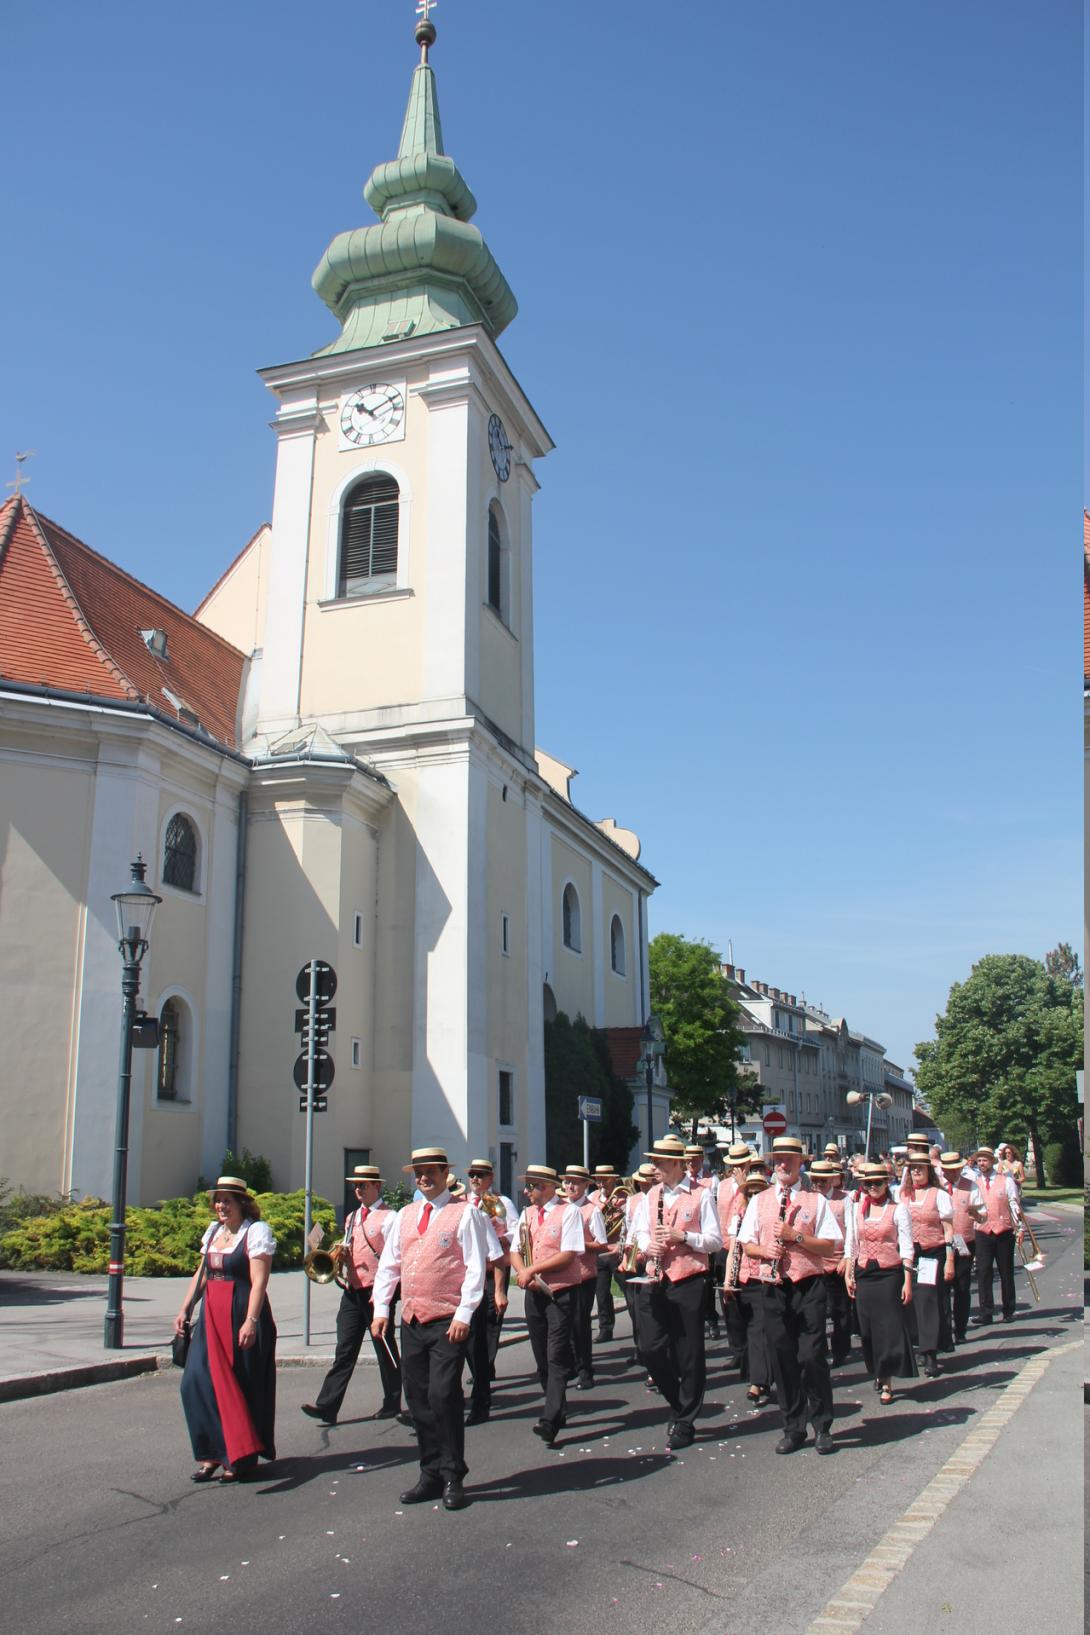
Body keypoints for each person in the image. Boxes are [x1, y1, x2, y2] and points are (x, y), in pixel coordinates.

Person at [371, 1146, 489, 1511]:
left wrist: (464, 1314)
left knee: (443, 1395)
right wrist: (381, 1309)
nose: (423, 1178)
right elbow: (390, 1266)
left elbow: (475, 1267)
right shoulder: (404, 1216)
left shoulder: (464, 1213)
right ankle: (431, 1472)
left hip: (446, 1320)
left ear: (443, 1174)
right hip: (412, 1319)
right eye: (418, 1172)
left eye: (430, 1172)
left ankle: (454, 1474)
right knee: (418, 1398)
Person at [737, 1136, 842, 1455]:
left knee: (811, 1356)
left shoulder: (816, 1199)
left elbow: (830, 1245)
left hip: (808, 1284)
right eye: (778, 1159)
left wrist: (795, 1237)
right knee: (782, 1358)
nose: (782, 1164)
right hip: (772, 1284)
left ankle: (822, 1424)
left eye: (789, 1159)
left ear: (801, 1163)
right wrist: (764, 1250)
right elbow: (746, 1244)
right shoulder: (760, 1200)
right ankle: (793, 1426)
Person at [176, 1176, 277, 1483]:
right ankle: (210, 1453)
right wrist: (186, 1307)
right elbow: (203, 1272)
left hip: (241, 1312)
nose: (221, 1206)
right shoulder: (214, 1232)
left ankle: (240, 1457)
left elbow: (259, 1280)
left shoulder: (256, 1233)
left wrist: (251, 1320)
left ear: (242, 1204)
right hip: (212, 1315)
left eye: (227, 1201)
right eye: (218, 1200)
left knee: (240, 1386)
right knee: (195, 1382)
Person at [630, 1136, 723, 1451]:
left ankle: (685, 1420)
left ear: (675, 1164)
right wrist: (647, 1245)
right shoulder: (651, 1196)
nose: (654, 1167)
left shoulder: (700, 1195)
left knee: (689, 1353)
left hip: (689, 1279)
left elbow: (714, 1241)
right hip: (656, 1278)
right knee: (650, 1347)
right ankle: (678, 1403)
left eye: (658, 1162)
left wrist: (682, 1236)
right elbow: (640, 1231)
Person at [299, 1165, 401, 1427]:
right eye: (355, 1185)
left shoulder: (390, 1218)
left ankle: (393, 1401)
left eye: (363, 1185)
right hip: (353, 1290)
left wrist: (387, 1296)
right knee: (344, 1349)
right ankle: (327, 1406)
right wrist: (341, 1257)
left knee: (384, 1347)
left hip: (377, 1291)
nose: (357, 1189)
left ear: (377, 1186)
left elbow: (394, 1257)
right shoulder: (353, 1217)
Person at [510, 1163, 586, 1446]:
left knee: (555, 1354)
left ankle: (550, 1418)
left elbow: (568, 1255)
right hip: (534, 1292)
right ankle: (558, 1406)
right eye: (528, 1186)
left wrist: (533, 1269)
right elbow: (515, 1249)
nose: (527, 1192)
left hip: (561, 1292)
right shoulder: (527, 1214)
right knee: (541, 1355)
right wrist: (522, 1271)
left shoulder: (570, 1212)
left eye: (532, 1186)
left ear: (548, 1187)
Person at [844, 1162, 916, 1405]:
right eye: (868, 1184)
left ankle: (886, 1380)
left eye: (877, 1183)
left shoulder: (898, 1210)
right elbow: (852, 1242)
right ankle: (876, 1368)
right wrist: (849, 1273)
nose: (872, 1188)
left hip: (889, 1274)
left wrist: (907, 1280)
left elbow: (906, 1246)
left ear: (887, 1184)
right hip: (865, 1273)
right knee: (867, 1329)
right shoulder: (857, 1209)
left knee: (887, 1327)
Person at [463, 1159, 515, 1425]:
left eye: (479, 1175)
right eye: (472, 1174)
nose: (474, 1178)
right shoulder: (461, 1203)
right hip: (467, 1274)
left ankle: (485, 1371)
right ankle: (483, 1369)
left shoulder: (503, 1203)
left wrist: (497, 1235)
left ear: (490, 1178)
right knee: (472, 1334)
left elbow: (515, 1231)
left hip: (493, 1268)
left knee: (490, 1323)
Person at [900, 1154, 954, 1375]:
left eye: (920, 1169)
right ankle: (918, 1346)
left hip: (932, 1252)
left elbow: (949, 1229)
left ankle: (929, 1352)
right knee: (909, 1302)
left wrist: (949, 1259)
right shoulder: (902, 1195)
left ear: (928, 1171)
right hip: (909, 1254)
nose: (916, 1173)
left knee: (927, 1299)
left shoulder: (938, 1195)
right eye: (912, 1169)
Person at [561, 1165, 608, 1390]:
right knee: (564, 1323)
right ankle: (570, 1365)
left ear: (586, 1185)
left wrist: (577, 1244)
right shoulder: (560, 1208)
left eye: (576, 1182)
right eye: (567, 1182)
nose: (570, 1186)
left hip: (583, 1276)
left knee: (580, 1324)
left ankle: (585, 1370)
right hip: (562, 1275)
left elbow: (601, 1244)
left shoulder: (593, 1210)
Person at [971, 1146, 1024, 1325]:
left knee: (1006, 1272)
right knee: (983, 1272)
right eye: (979, 1160)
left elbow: (1014, 1204)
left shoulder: (1005, 1181)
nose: (981, 1163)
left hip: (1003, 1231)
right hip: (982, 1232)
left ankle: (1008, 1310)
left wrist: (1020, 1227)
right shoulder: (974, 1182)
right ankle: (986, 1311)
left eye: (984, 1160)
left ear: (992, 1162)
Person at [936, 1152, 985, 1343]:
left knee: (962, 1286)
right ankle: (946, 1328)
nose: (950, 1173)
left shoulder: (971, 1185)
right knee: (942, 1287)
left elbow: (983, 1214)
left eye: (954, 1169)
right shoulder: (937, 1187)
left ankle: (961, 1330)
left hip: (963, 1240)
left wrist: (976, 1213)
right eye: (947, 1169)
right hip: (940, 1241)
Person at [809, 1159, 852, 1366]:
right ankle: (820, 1349)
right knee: (816, 1311)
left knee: (840, 1311)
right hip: (815, 1263)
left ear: (832, 1180)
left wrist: (847, 1258)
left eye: (823, 1180)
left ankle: (840, 1350)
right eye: (815, 1180)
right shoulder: (808, 1199)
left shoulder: (844, 1200)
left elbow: (852, 1232)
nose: (819, 1184)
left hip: (838, 1261)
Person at [589, 1164, 622, 1341]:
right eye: (598, 1180)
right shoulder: (592, 1198)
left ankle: (640, 1329)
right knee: (601, 1292)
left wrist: (619, 1209)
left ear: (613, 1180)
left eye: (605, 1180)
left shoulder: (624, 1196)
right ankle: (605, 1328)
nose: (601, 1184)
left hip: (617, 1249)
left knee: (628, 1291)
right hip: (600, 1251)